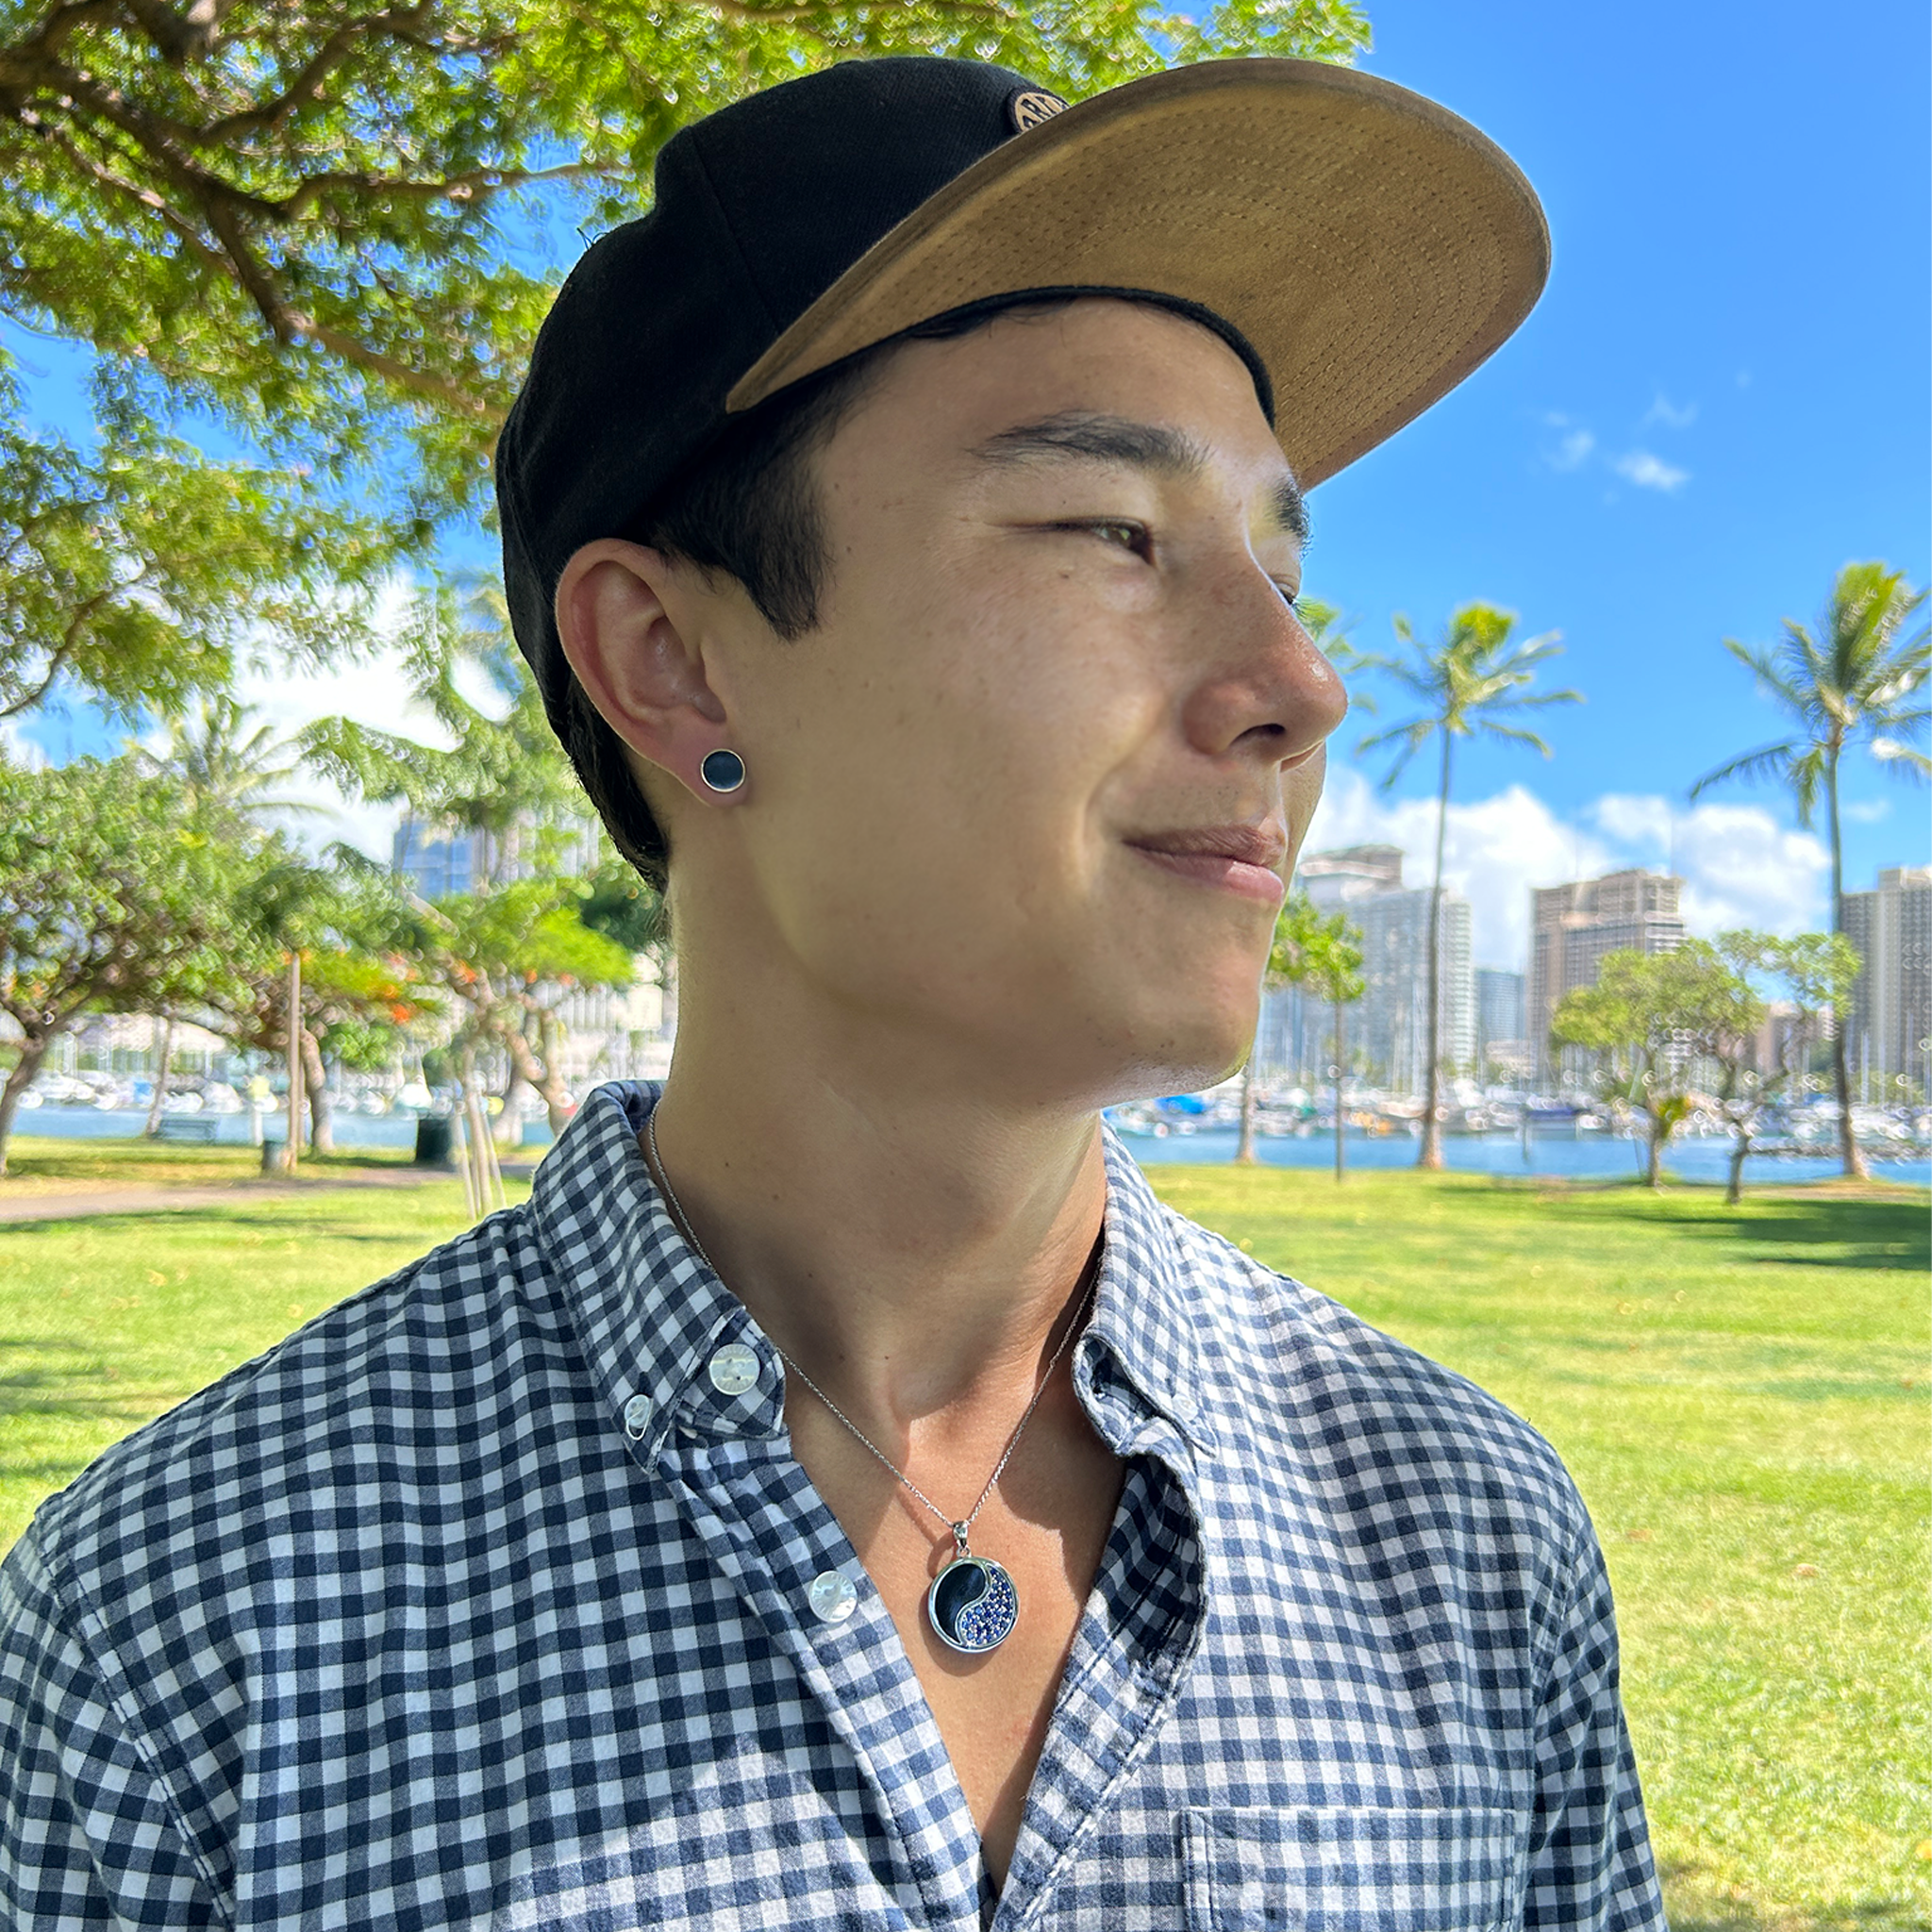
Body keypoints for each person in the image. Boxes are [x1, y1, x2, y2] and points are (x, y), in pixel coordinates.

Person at [0, 55, 1665, 1930]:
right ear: (673, 664)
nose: (1297, 684)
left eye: (1281, 567)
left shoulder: (1463, 1538)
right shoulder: (189, 1636)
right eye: (1111, 533)